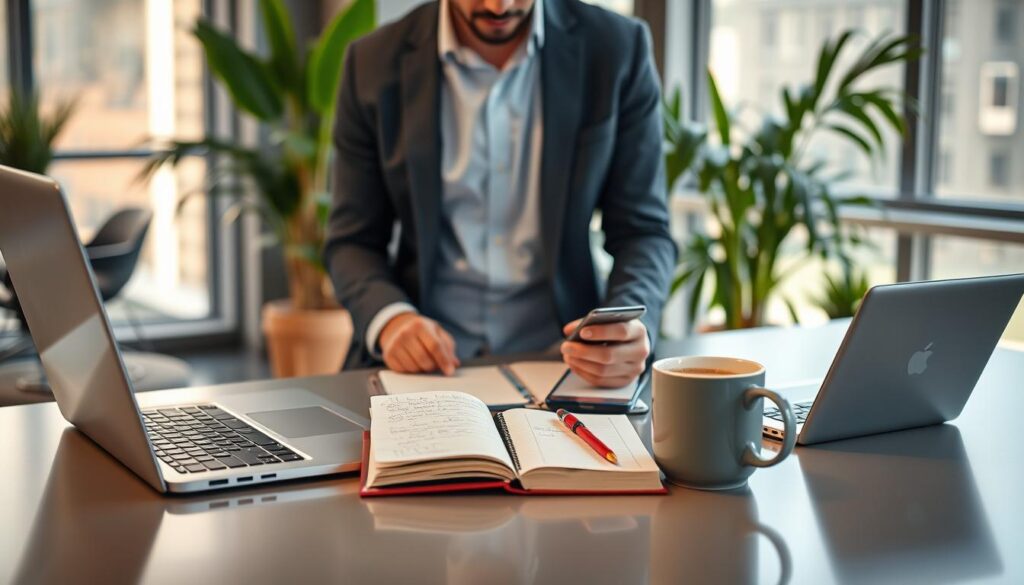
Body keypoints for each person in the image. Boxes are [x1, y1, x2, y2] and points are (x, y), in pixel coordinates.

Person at [324, 0, 675, 387]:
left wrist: (627, 325)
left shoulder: (616, 49)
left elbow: (643, 232)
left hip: (568, 364)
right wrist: (392, 320)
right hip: (422, 367)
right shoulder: (372, 62)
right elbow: (352, 242)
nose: (498, 6)